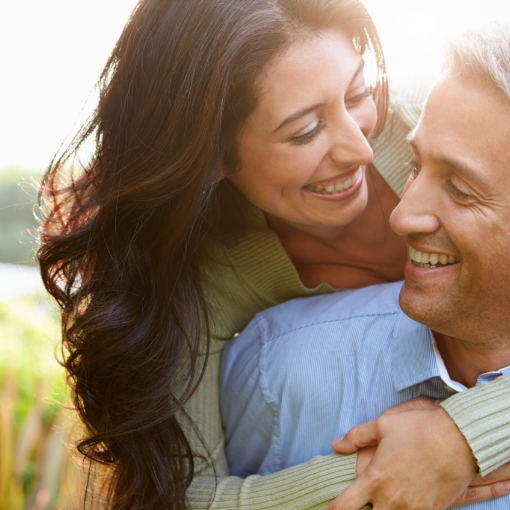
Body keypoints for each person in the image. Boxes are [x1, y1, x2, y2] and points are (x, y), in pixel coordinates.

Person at [36, 0, 510, 507]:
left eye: (357, 94)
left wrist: (467, 434)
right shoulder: (204, 279)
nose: (360, 148)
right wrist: (379, 471)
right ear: (213, 154)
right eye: (305, 131)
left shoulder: (443, 121)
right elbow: (179, 496)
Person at [221, 21, 510, 510]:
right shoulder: (275, 369)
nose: (400, 215)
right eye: (415, 166)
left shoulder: (407, 107)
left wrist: (471, 432)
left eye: (460, 189)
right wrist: (365, 478)